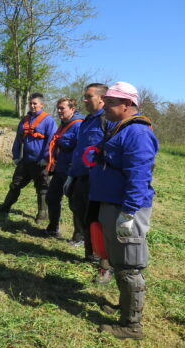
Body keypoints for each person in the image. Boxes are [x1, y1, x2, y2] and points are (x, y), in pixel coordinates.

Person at [88, 81, 158, 339]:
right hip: (113, 205)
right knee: (119, 261)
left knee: (129, 267)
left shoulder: (137, 133)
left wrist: (128, 213)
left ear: (128, 104)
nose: (104, 106)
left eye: (111, 102)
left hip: (125, 209)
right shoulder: (119, 129)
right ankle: (124, 308)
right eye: (105, 101)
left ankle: (132, 325)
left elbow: (139, 175)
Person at [64, 83, 114, 283]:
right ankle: (89, 254)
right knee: (81, 215)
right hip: (80, 178)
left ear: (102, 98)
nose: (84, 100)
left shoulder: (107, 121)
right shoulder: (85, 121)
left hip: (97, 180)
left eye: (88, 96)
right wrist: (71, 175)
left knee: (98, 222)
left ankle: (105, 267)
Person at [0, 92, 57, 223]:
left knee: (42, 188)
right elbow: (18, 139)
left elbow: (52, 141)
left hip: (40, 162)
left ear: (42, 105)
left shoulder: (48, 120)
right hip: (25, 161)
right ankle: (5, 207)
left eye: (35, 103)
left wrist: (46, 158)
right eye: (30, 103)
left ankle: (42, 214)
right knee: (15, 184)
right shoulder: (24, 120)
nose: (32, 105)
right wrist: (16, 156)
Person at [44, 97, 83, 237]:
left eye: (62, 108)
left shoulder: (78, 125)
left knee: (75, 204)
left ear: (72, 109)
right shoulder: (63, 124)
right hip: (60, 169)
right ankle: (53, 228)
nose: (59, 111)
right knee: (51, 197)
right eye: (58, 108)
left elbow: (80, 150)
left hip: (72, 171)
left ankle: (79, 236)